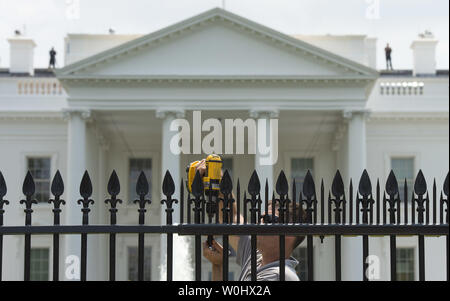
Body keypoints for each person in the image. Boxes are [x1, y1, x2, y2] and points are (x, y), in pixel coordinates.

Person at [194, 159, 306, 281]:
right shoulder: (256, 256)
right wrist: (217, 178)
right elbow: (232, 219)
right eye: (261, 218)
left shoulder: (279, 275)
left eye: (268, 219)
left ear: (289, 234)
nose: (260, 223)